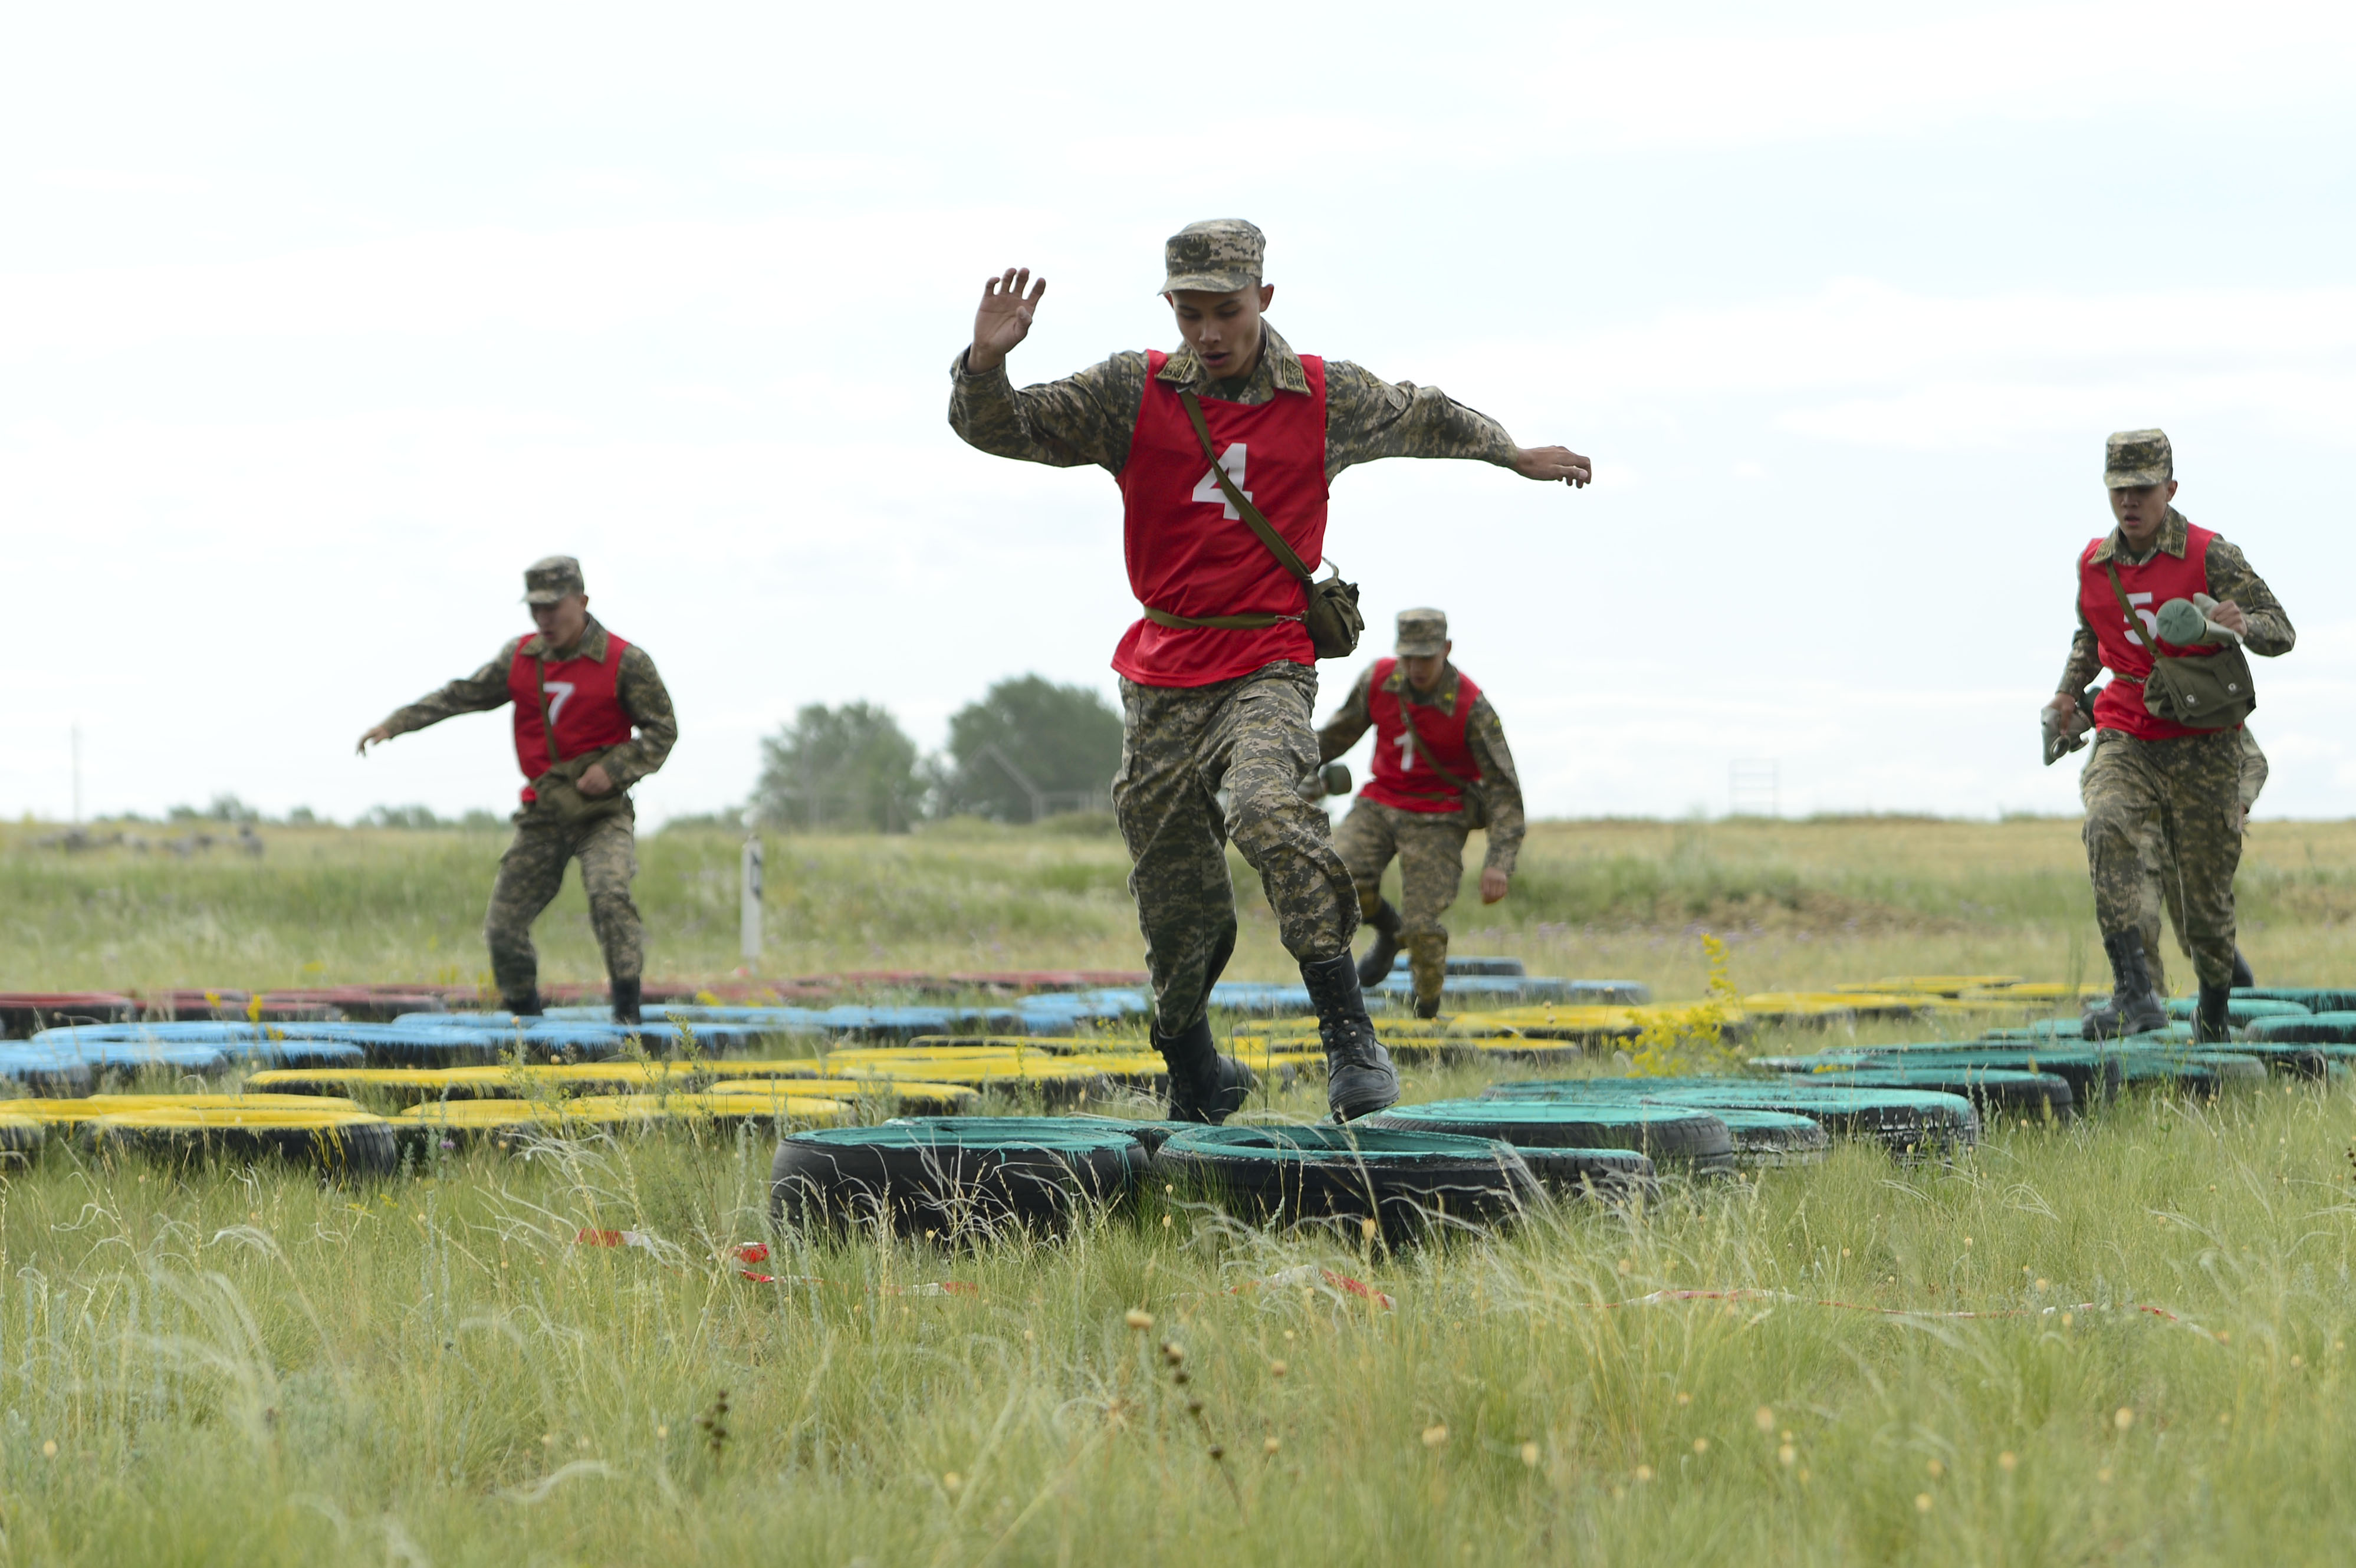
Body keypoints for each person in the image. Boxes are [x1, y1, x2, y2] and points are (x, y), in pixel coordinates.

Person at [947, 219, 1591, 1122]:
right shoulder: (1130, 390)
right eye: (1189, 313)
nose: (1208, 333)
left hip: (1266, 660)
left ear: (1264, 299)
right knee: (1172, 886)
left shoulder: (1324, 396)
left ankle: (1349, 1037)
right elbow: (1005, 428)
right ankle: (1192, 1066)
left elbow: (1424, 413)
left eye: (1226, 311)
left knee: (1267, 809)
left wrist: (1508, 451)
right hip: (1163, 670)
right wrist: (985, 364)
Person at [356, 556, 678, 1024]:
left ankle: (628, 1016)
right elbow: (462, 694)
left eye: (553, 607)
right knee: (503, 926)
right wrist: (396, 723)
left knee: (609, 895)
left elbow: (663, 729)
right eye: (535, 608)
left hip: (602, 813)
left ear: (582, 602)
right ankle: (526, 1021)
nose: (543, 618)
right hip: (543, 813)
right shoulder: (521, 657)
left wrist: (614, 769)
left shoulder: (625, 661)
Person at [2045, 430, 2291, 1041]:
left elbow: (2280, 630)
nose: (2128, 502)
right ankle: (2135, 994)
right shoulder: (2094, 565)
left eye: (2142, 490)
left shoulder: (2210, 554)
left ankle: (2214, 1009)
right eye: (2118, 490)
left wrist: (2240, 623)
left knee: (2202, 900)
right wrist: (2067, 692)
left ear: (2170, 489)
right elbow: (2090, 636)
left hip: (2204, 741)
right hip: (2126, 731)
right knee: (2105, 823)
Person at [1315, 608, 1526, 1018]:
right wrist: (1286, 764)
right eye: (1408, 657)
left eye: (1425, 657)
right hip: (1380, 802)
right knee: (1339, 879)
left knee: (1423, 925)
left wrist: (1499, 862)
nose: (1416, 667)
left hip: (1439, 813)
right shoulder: (1379, 680)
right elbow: (1337, 734)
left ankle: (1426, 1011)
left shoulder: (1472, 706)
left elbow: (1504, 790)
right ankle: (1388, 929)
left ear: (1446, 650)